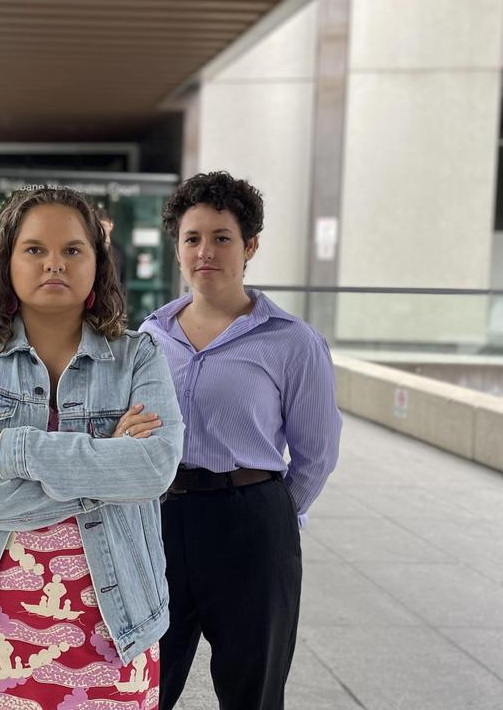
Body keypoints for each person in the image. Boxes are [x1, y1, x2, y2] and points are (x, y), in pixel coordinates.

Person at [0, 186, 184, 708]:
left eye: (72, 250)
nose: (54, 264)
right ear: (8, 262)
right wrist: (107, 468)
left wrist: (14, 450)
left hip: (116, 629)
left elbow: (154, 469)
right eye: (35, 249)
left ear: (97, 262)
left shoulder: (140, 356)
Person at [140, 171, 342, 710]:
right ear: (178, 247)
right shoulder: (147, 338)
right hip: (158, 520)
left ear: (249, 246)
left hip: (251, 526)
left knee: (252, 693)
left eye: (222, 238)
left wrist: (269, 511)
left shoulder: (292, 342)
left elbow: (317, 452)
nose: (206, 252)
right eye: (192, 238)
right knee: (142, 686)